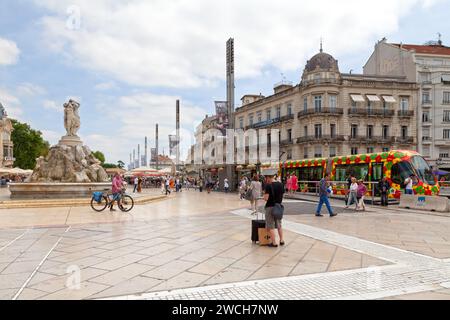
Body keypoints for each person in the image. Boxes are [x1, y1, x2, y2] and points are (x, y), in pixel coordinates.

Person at [263, 174, 285, 247]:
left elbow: (266, 198)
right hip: (278, 207)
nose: (266, 180)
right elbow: (282, 196)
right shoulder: (280, 184)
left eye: (266, 178)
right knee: (279, 224)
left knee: (270, 225)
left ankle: (274, 242)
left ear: (269, 177)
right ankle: (281, 240)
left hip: (270, 207)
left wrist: (264, 195)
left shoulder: (268, 185)